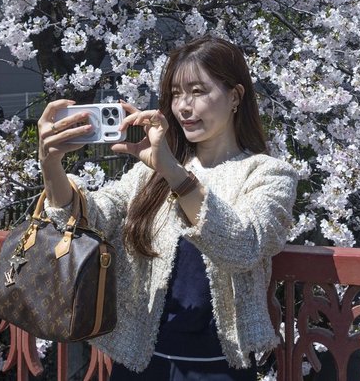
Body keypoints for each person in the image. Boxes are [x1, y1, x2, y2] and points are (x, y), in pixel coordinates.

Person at [38, 36, 298, 380]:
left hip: (218, 367)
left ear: (235, 96)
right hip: (140, 361)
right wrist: (51, 165)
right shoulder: (151, 172)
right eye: (176, 94)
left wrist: (174, 172)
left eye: (198, 91)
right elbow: (90, 218)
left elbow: (243, 245)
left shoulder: (268, 173)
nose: (184, 107)